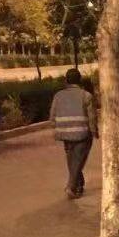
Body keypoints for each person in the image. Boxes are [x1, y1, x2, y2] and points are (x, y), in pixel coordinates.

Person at [50, 68, 97, 199]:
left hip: (64, 134)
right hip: (82, 134)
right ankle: (71, 186)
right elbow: (92, 117)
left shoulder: (58, 96)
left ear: (66, 80)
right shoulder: (86, 96)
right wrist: (94, 132)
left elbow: (52, 116)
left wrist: (58, 128)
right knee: (78, 160)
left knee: (72, 161)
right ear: (80, 80)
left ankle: (78, 185)